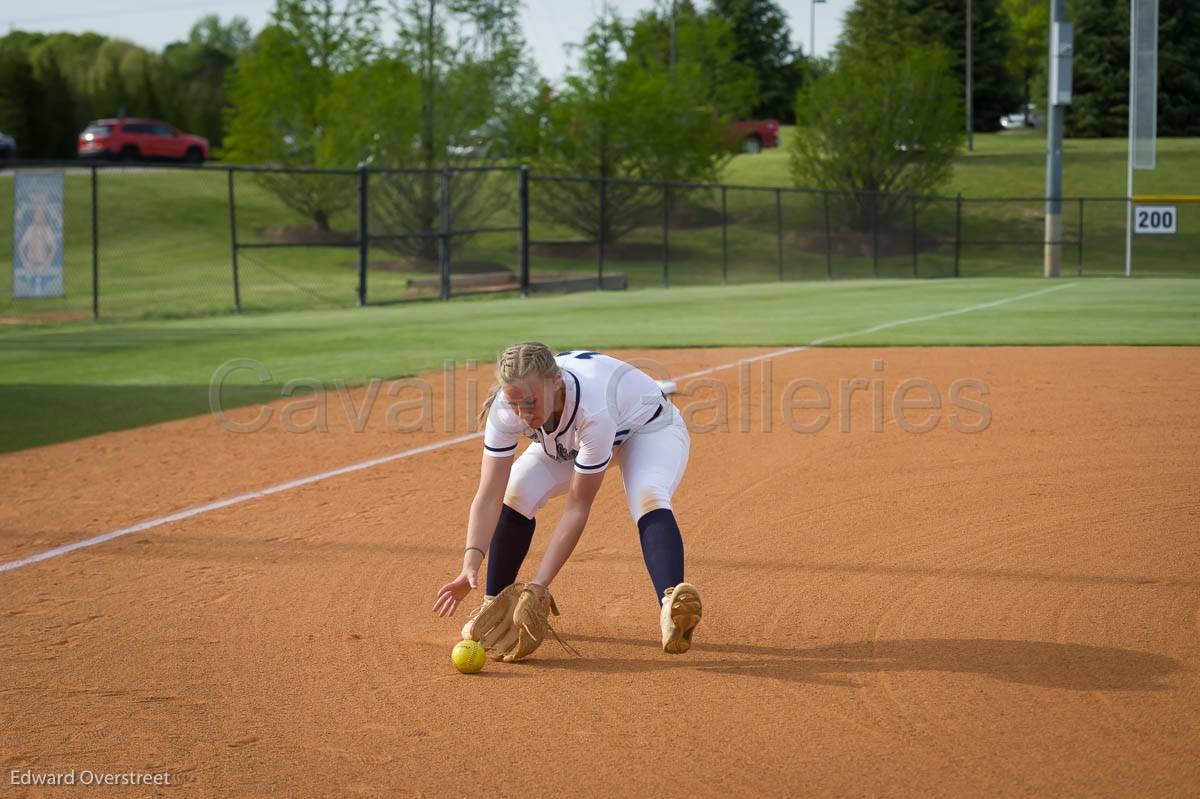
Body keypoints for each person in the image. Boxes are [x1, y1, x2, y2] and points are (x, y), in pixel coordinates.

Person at [432, 341, 702, 660]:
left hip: (648, 429)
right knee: (516, 491)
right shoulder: (508, 410)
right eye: (514, 403)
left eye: (530, 403)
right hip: (575, 439)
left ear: (556, 381)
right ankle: (494, 604)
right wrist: (470, 564)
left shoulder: (593, 408)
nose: (522, 414)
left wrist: (539, 586)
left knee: (648, 494)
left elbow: (577, 508)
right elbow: (488, 494)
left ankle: (671, 605)